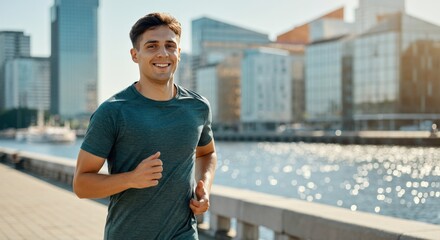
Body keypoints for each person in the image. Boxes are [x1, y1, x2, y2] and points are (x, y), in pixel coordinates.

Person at [73, 12, 217, 240]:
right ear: (135, 55)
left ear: (179, 53)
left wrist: (204, 188)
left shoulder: (198, 107)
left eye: (170, 46)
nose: (163, 53)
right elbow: (81, 184)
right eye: (152, 46)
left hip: (183, 234)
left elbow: (206, 153)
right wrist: (131, 179)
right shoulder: (112, 111)